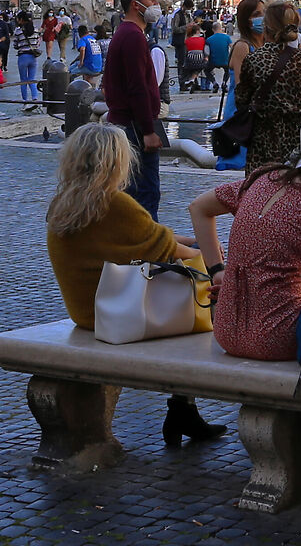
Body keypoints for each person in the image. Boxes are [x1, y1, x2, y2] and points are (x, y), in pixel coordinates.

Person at [44, 122, 227, 448]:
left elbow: (145, 238)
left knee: (186, 282)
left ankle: (184, 410)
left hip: (86, 310)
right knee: (202, 294)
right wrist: (208, 255)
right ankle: (182, 406)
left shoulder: (65, 202)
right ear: (116, 161)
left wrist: (185, 240)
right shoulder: (115, 204)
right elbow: (171, 251)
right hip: (113, 316)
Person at [191, 109, 301, 360]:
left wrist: (219, 271)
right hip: (277, 339)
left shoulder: (264, 180)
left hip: (227, 332)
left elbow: (198, 207)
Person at [102, 0, 169, 214]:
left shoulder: (124, 33)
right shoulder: (133, 37)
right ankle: (146, 247)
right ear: (135, 5)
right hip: (135, 127)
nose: (155, 4)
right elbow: (138, 87)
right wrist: (148, 130)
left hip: (125, 123)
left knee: (131, 191)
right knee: (146, 193)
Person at [235, 0, 301, 173]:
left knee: (261, 192)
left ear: (267, 26)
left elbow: (241, 98)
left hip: (263, 140)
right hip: (296, 141)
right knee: (293, 191)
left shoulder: (255, 59)